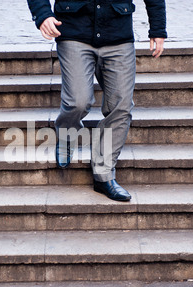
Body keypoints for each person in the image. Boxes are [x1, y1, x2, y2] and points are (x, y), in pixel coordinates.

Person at [27, 0, 167, 201]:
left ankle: (103, 174)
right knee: (78, 101)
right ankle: (67, 134)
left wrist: (158, 28)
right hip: (74, 32)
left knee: (121, 106)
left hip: (118, 35)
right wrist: (43, 15)